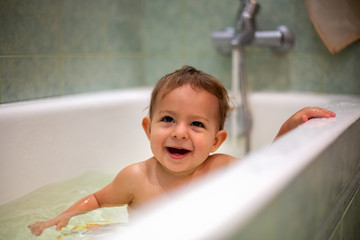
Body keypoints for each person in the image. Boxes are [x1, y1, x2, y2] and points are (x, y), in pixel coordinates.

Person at [28, 66, 336, 236]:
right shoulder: (136, 177)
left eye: (197, 125)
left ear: (217, 141)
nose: (179, 132)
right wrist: (63, 216)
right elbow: (96, 199)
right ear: (148, 128)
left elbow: (270, 168)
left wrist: (290, 127)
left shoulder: (221, 169)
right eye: (167, 119)